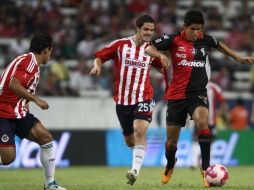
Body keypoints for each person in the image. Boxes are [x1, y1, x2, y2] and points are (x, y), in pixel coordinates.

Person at [145, 10, 254, 187]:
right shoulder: (172, 39)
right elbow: (149, 46)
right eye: (193, 29)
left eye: (199, 29)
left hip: (197, 94)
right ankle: (170, 164)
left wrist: (238, 58)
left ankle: (205, 169)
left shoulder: (205, 39)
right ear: (185, 27)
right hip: (175, 96)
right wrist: (159, 56)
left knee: (202, 121)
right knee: (171, 143)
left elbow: (220, 45)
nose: (196, 33)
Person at [90, 15, 167, 185]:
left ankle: (134, 171)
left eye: (152, 30)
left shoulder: (151, 50)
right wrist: (97, 66)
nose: (149, 33)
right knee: (130, 140)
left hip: (144, 97)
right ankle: (137, 154)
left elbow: (164, 69)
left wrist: (168, 67)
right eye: (146, 29)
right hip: (123, 101)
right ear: (137, 28)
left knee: (140, 130)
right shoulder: (120, 45)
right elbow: (100, 56)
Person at [0, 33, 66, 190]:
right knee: (8, 158)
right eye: (51, 51)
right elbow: (14, 85)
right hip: (4, 112)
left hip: (19, 112)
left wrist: (27, 104)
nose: (50, 55)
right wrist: (37, 100)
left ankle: (50, 184)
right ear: (45, 51)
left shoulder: (30, 63)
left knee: (46, 138)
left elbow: (20, 89)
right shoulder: (30, 63)